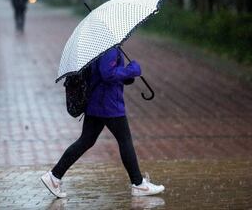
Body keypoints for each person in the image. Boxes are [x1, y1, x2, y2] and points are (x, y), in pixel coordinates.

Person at [41, 46, 165, 198]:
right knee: (124, 140)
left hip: (97, 102)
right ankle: (138, 184)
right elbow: (107, 74)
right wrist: (131, 70)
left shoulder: (103, 46)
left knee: (86, 140)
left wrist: (126, 76)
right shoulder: (109, 48)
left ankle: (54, 176)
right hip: (108, 103)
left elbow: (103, 72)